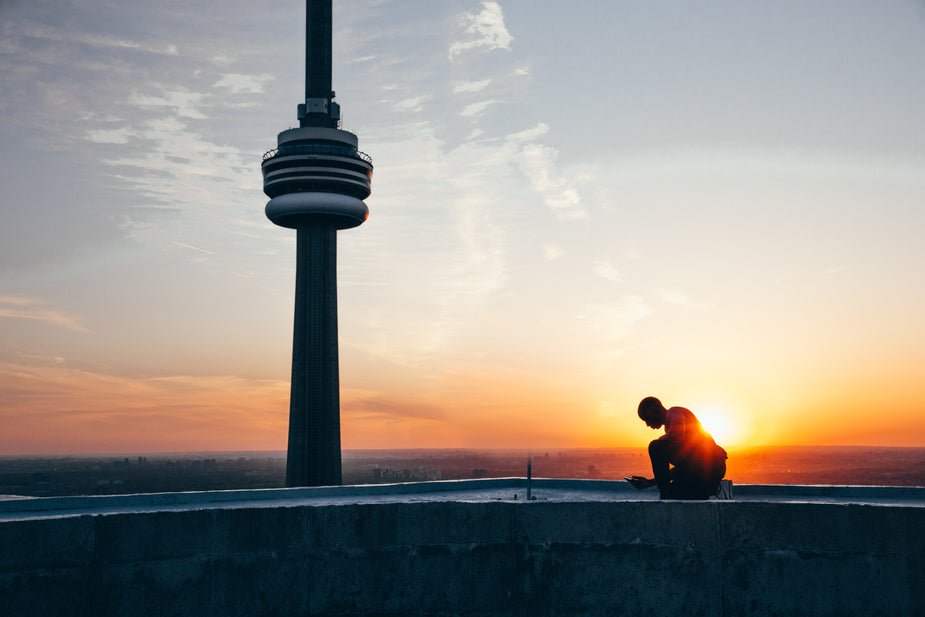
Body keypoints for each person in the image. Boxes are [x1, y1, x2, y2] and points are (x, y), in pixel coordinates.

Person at [628, 396, 727, 500]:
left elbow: (677, 435)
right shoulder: (676, 436)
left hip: (712, 466)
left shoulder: (674, 412)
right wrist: (649, 482)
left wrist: (660, 441)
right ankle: (713, 489)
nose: (647, 425)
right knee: (675, 493)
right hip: (701, 471)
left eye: (646, 420)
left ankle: (665, 495)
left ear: (653, 411)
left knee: (655, 446)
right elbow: (681, 468)